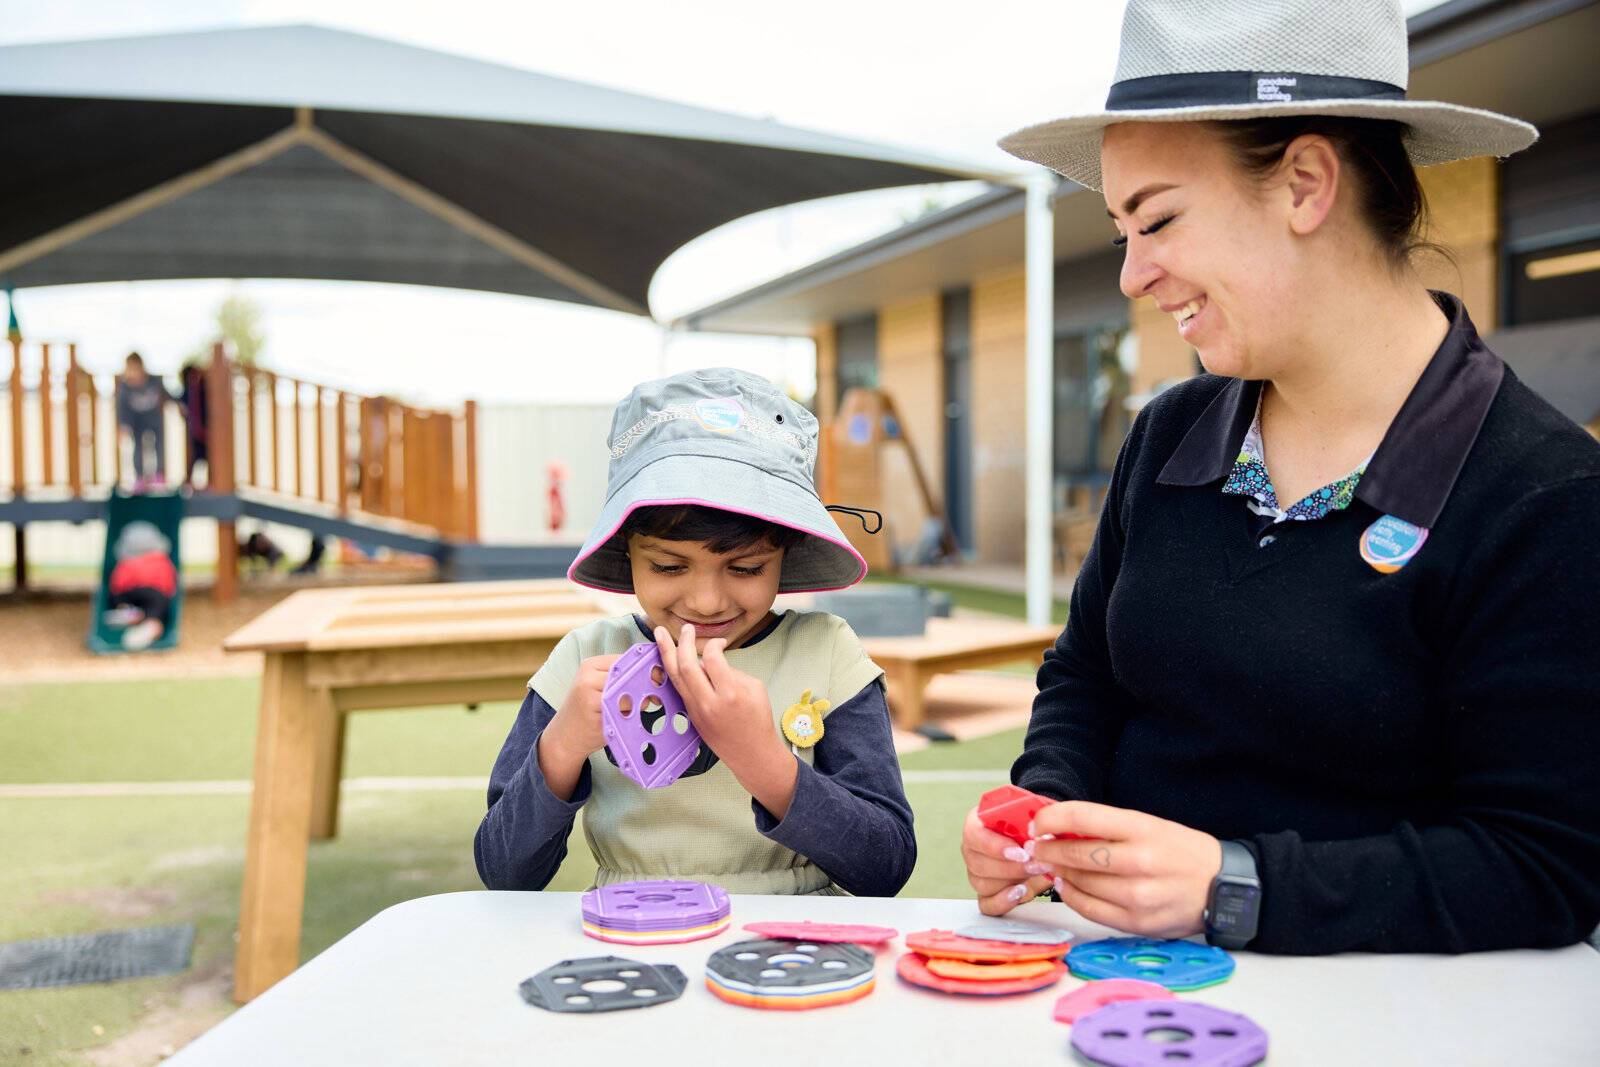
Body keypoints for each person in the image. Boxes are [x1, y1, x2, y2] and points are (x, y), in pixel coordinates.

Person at [963, 0, 1600, 955]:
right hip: (1116, 995)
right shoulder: (1168, 434)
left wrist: (1236, 885)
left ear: (1306, 184)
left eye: (1158, 219)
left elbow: (1543, 864)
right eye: (1123, 231)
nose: (1133, 275)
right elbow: (1085, 673)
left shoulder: (1545, 493)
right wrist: (1043, 806)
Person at [475, 368, 914, 896]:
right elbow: (503, 871)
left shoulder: (827, 652)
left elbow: (885, 867)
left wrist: (764, 762)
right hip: (632, 928)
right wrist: (562, 746)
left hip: (794, 932)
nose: (706, 602)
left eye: (746, 568)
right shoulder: (584, 661)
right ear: (626, 551)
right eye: (668, 566)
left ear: (788, 550)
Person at [103, 521, 177, 652]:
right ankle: (151, 624)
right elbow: (169, 584)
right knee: (158, 604)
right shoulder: (161, 560)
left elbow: (118, 584)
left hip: (127, 596)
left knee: (119, 599)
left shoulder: (126, 563)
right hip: (153, 595)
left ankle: (129, 613)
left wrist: (118, 598)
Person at [116, 352, 171, 492]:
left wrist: (178, 403)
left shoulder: (154, 381)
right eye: (130, 370)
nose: (133, 374)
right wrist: (123, 426)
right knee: (138, 449)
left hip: (154, 420)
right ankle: (140, 477)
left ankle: (159, 475)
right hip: (137, 422)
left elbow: (166, 394)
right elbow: (122, 408)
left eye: (135, 369)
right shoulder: (125, 387)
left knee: (159, 446)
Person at [178, 361, 209, 488]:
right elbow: (183, 407)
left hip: (206, 430)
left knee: (208, 456)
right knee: (194, 456)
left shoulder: (204, 389)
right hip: (195, 431)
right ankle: (189, 480)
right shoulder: (187, 391)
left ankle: (209, 480)